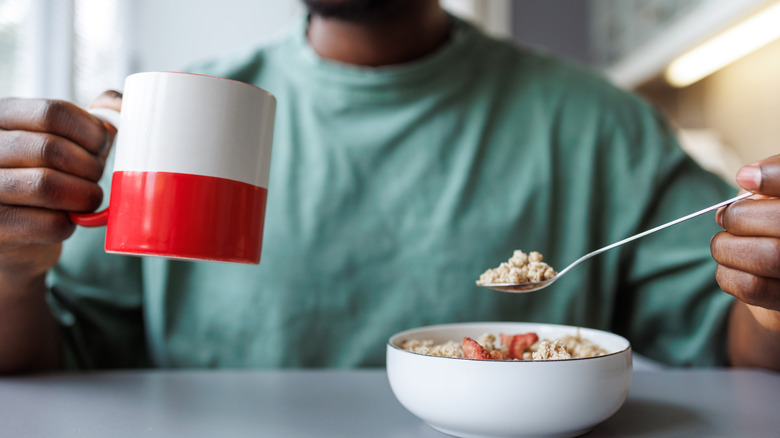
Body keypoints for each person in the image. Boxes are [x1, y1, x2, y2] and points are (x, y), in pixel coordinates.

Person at [0, 0, 778, 373]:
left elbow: (739, 352)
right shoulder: (170, 110)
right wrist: (9, 276)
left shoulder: (598, 125)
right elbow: (47, 364)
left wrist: (769, 293)